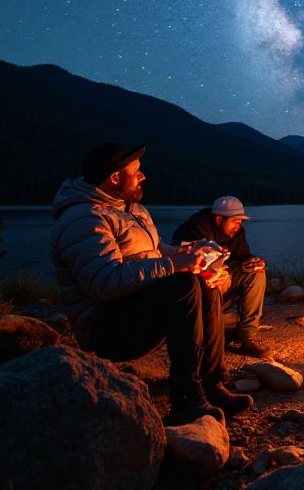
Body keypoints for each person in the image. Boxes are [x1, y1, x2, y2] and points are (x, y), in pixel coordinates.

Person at [51, 143, 252, 426]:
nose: (143, 176)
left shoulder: (133, 211)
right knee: (183, 285)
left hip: (136, 310)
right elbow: (103, 282)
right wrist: (175, 266)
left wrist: (193, 254)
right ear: (115, 178)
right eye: (136, 172)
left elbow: (158, 250)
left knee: (203, 281)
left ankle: (211, 384)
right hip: (106, 329)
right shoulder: (83, 219)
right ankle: (185, 400)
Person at [172, 195, 269, 357]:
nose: (238, 226)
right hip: (196, 294)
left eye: (240, 222)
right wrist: (223, 270)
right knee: (212, 278)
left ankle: (247, 336)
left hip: (222, 285)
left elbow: (242, 257)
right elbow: (189, 267)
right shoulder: (195, 230)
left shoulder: (236, 233)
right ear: (219, 220)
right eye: (235, 221)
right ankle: (203, 335)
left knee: (256, 274)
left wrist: (253, 262)